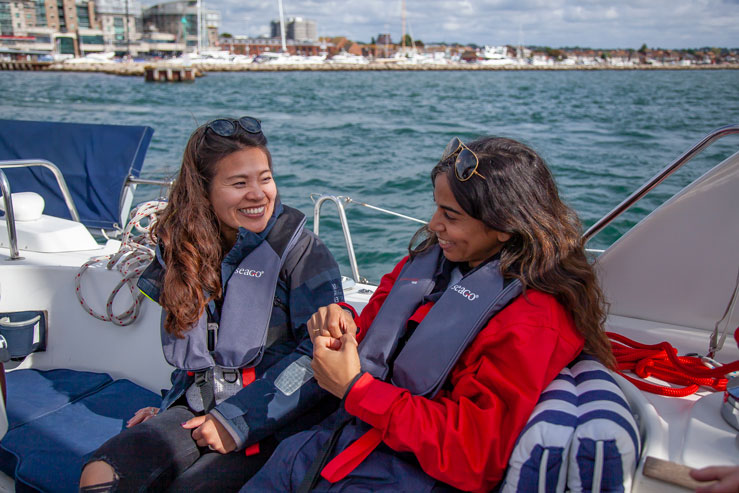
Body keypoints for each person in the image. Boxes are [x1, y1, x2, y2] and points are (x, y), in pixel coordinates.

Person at [243, 136, 616, 492]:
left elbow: (474, 455)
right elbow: (372, 328)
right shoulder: (427, 263)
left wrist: (356, 390)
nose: (434, 224)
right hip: (328, 446)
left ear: (505, 226)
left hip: (397, 474)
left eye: (450, 215)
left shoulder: (534, 319)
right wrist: (343, 324)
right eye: (436, 207)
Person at [79, 116, 344, 492]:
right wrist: (169, 408)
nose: (258, 194)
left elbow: (319, 357)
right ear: (204, 191)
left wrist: (236, 421)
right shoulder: (179, 249)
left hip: (277, 418)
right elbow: (197, 346)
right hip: (196, 409)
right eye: (239, 183)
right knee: (103, 474)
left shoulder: (303, 252)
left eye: (264, 178)